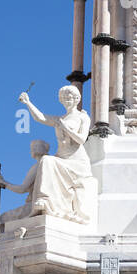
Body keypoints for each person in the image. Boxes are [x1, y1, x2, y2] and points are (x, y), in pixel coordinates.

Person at [17, 85, 94, 223]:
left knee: (47, 160)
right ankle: (43, 200)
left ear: (76, 99)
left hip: (76, 162)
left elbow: (81, 139)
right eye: (63, 98)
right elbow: (40, 118)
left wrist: (66, 128)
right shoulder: (59, 119)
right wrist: (28, 103)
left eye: (69, 97)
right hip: (61, 158)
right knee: (46, 160)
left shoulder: (82, 117)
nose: (66, 100)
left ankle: (44, 200)